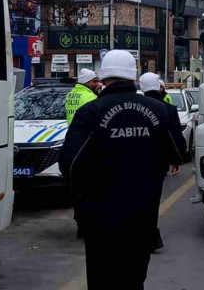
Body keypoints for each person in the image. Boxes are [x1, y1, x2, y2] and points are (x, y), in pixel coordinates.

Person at [58, 50, 186, 290]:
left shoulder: (91, 112)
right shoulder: (160, 111)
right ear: (133, 77)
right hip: (143, 212)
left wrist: (81, 198)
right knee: (134, 277)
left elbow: (70, 162)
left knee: (102, 278)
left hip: (99, 214)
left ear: (103, 79)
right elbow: (178, 153)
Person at [140, 72, 184, 252]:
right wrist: (177, 159)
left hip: (133, 163)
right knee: (151, 203)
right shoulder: (167, 109)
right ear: (159, 87)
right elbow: (174, 137)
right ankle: (149, 238)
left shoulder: (136, 106)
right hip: (156, 165)